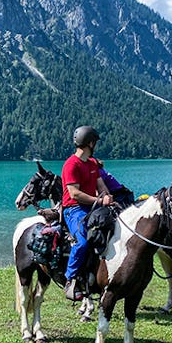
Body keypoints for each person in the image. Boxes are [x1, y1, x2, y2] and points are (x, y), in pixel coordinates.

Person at [61, 125, 113, 301]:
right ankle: (70, 279)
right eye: (95, 142)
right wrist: (99, 200)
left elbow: (100, 185)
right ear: (90, 143)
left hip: (92, 207)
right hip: (73, 209)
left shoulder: (91, 163)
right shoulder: (71, 164)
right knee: (82, 242)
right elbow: (74, 193)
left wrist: (106, 195)